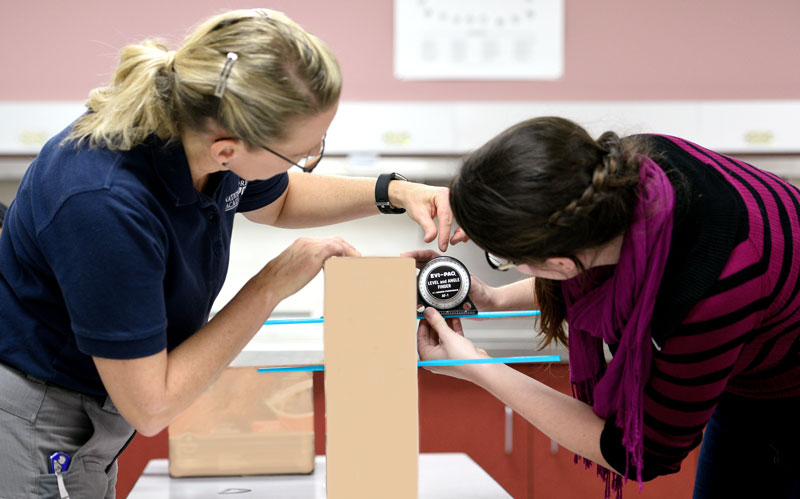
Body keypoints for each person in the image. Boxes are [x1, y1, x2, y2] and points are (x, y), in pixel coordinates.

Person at [0, 9, 466, 497]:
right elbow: (151, 405)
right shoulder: (103, 203)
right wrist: (271, 286)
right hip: (38, 422)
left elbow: (280, 199)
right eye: (302, 153)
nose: (308, 161)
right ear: (227, 150)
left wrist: (395, 192)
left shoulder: (196, 134)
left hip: (93, 417)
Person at [408, 116, 800, 499]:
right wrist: (493, 297)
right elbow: (606, 268)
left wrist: (481, 368)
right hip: (750, 353)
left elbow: (641, 453)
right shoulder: (630, 172)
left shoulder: (711, 291)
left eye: (503, 259)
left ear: (560, 265)